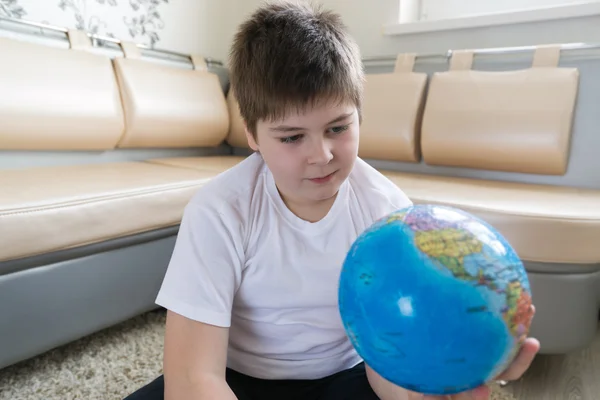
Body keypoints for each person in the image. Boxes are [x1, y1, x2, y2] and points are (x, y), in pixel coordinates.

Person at [125, 1, 540, 399]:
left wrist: (422, 390)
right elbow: (194, 374)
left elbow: (388, 357)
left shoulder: (386, 212)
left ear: (359, 114)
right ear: (252, 135)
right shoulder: (219, 211)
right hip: (238, 379)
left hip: (346, 378)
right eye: (291, 137)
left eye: (338, 128)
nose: (321, 155)